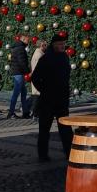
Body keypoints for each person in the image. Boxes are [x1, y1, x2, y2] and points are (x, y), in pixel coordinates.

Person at [30, 31, 74, 161]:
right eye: (60, 44)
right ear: (54, 45)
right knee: (44, 128)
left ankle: (70, 153)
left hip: (61, 99)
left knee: (65, 128)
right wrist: (44, 90)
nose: (62, 46)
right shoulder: (46, 58)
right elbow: (35, 77)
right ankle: (42, 155)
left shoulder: (64, 57)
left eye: (63, 44)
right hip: (48, 99)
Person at [7, 37, 32, 119]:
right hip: (19, 73)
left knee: (23, 93)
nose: (28, 43)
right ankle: (11, 113)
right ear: (23, 40)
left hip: (17, 72)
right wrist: (28, 71)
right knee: (16, 93)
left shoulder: (16, 47)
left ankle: (25, 112)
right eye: (27, 41)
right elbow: (22, 62)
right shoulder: (20, 49)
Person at [29, 40, 48, 117]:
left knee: (37, 95)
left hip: (37, 77)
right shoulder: (39, 55)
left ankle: (35, 112)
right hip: (38, 78)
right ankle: (34, 112)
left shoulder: (38, 53)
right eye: (45, 45)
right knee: (37, 95)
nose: (46, 47)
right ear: (41, 46)